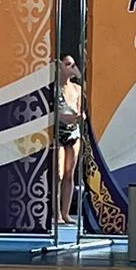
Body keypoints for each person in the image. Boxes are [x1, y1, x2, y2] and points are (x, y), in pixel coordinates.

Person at [54, 54, 84, 226]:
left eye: (73, 64)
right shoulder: (54, 88)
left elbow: (81, 111)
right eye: (67, 64)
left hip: (73, 132)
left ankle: (65, 213)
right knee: (58, 174)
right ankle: (56, 213)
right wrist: (63, 118)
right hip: (58, 131)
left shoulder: (77, 89)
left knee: (69, 174)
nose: (72, 68)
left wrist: (80, 117)